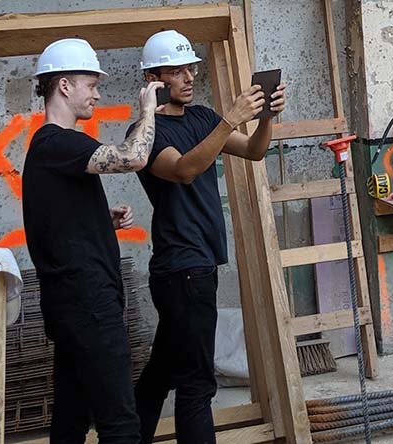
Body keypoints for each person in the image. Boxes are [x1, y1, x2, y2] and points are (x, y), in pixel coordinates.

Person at [130, 30, 285, 444]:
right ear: (152, 79)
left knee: (162, 371)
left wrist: (265, 117)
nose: (188, 77)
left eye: (191, 69)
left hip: (197, 265)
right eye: (177, 71)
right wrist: (231, 118)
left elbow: (253, 150)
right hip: (182, 268)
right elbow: (183, 170)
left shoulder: (201, 118)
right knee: (197, 383)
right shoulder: (144, 132)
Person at [22, 38, 163, 444]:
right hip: (88, 303)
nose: (98, 94)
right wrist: (147, 111)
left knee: (71, 419)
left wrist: (102, 223)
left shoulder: (50, 148)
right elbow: (134, 157)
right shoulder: (57, 141)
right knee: (121, 424)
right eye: (91, 84)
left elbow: (53, 221)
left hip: (71, 303)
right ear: (65, 86)